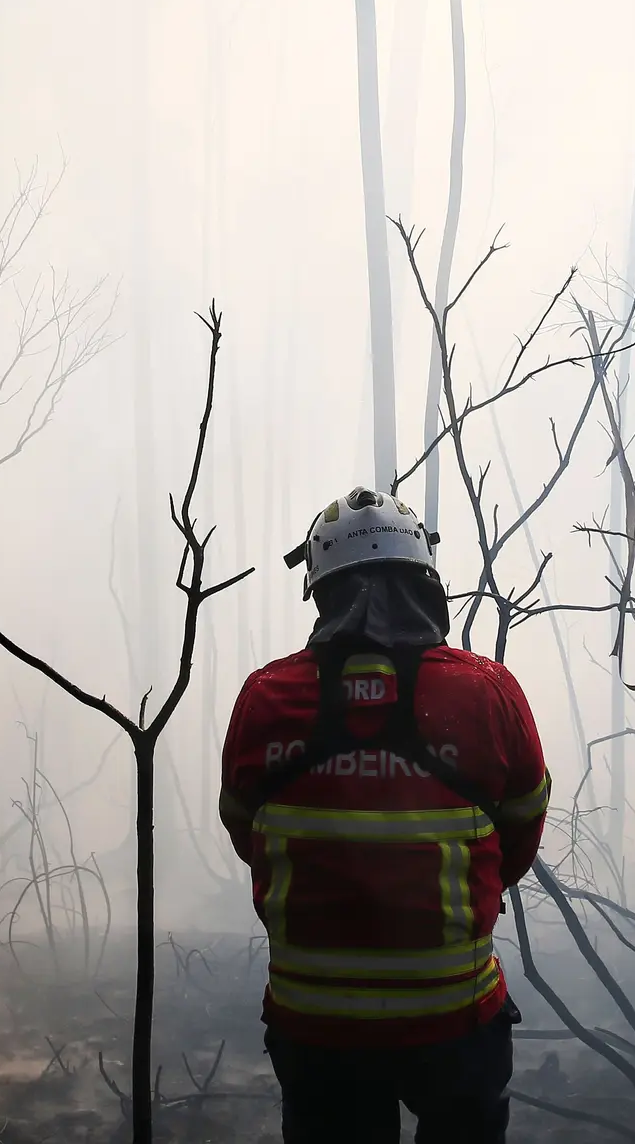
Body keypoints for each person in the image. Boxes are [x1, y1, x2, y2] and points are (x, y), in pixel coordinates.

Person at [219, 488, 550, 1144]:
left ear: (319, 593)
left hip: (314, 1028)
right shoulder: (486, 693)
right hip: (456, 1020)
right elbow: (519, 838)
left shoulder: (265, 699)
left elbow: (245, 833)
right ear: (426, 582)